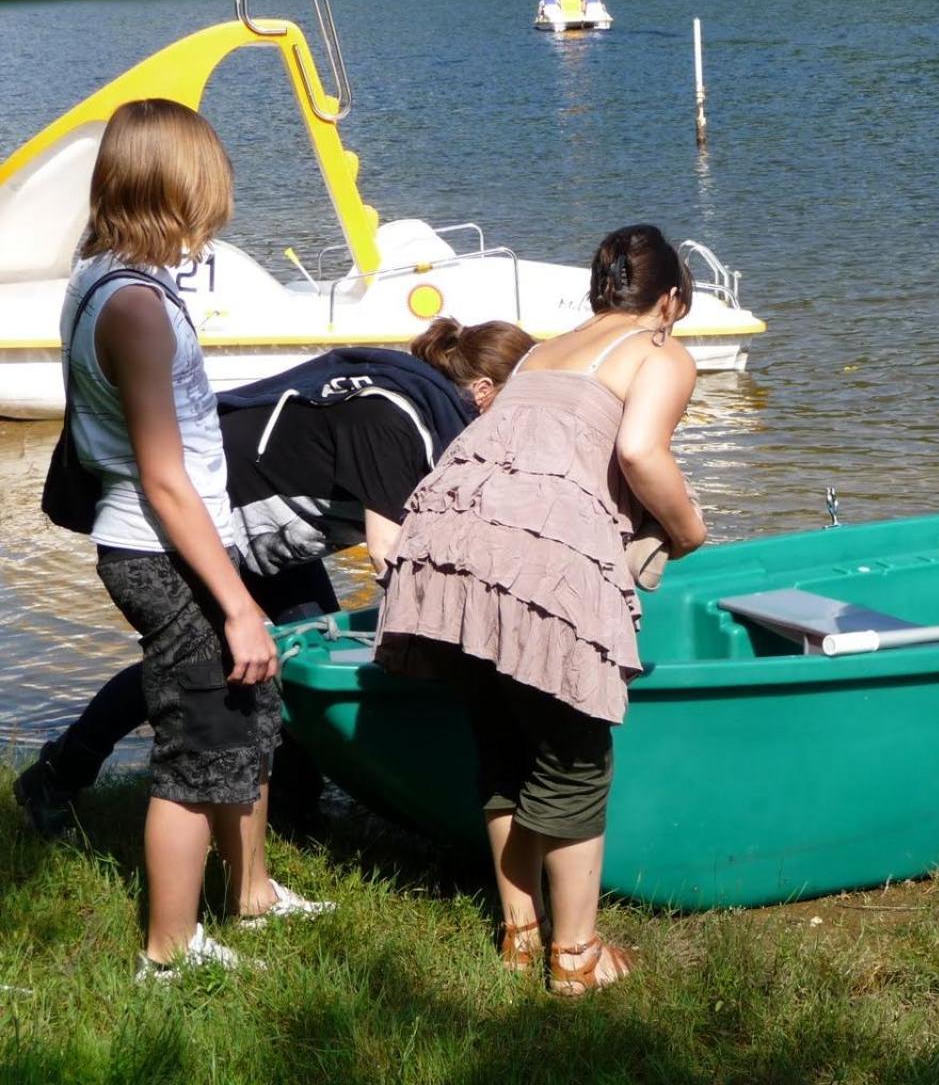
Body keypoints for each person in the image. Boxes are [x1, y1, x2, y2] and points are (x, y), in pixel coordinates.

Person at [13, 317, 533, 840]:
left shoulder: (425, 411)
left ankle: (295, 808)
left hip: (275, 538)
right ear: (483, 391)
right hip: (212, 522)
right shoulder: (392, 417)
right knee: (197, 665)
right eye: (523, 401)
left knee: (303, 654)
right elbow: (389, 554)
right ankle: (57, 775)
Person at [376, 224, 706, 993]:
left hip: (448, 541)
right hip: (534, 556)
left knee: (504, 748)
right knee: (575, 758)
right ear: (669, 301)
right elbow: (639, 454)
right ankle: (576, 959)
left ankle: (521, 937)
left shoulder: (539, 351)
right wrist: (690, 530)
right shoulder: (660, 351)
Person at [49, 98, 329, 979]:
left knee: (245, 717)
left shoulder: (111, 277)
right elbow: (164, 478)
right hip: (159, 548)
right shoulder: (133, 306)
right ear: (176, 186)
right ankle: (167, 955)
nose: (223, 203)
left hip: (179, 539)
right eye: (213, 185)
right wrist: (242, 605)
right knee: (197, 747)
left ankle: (252, 894)